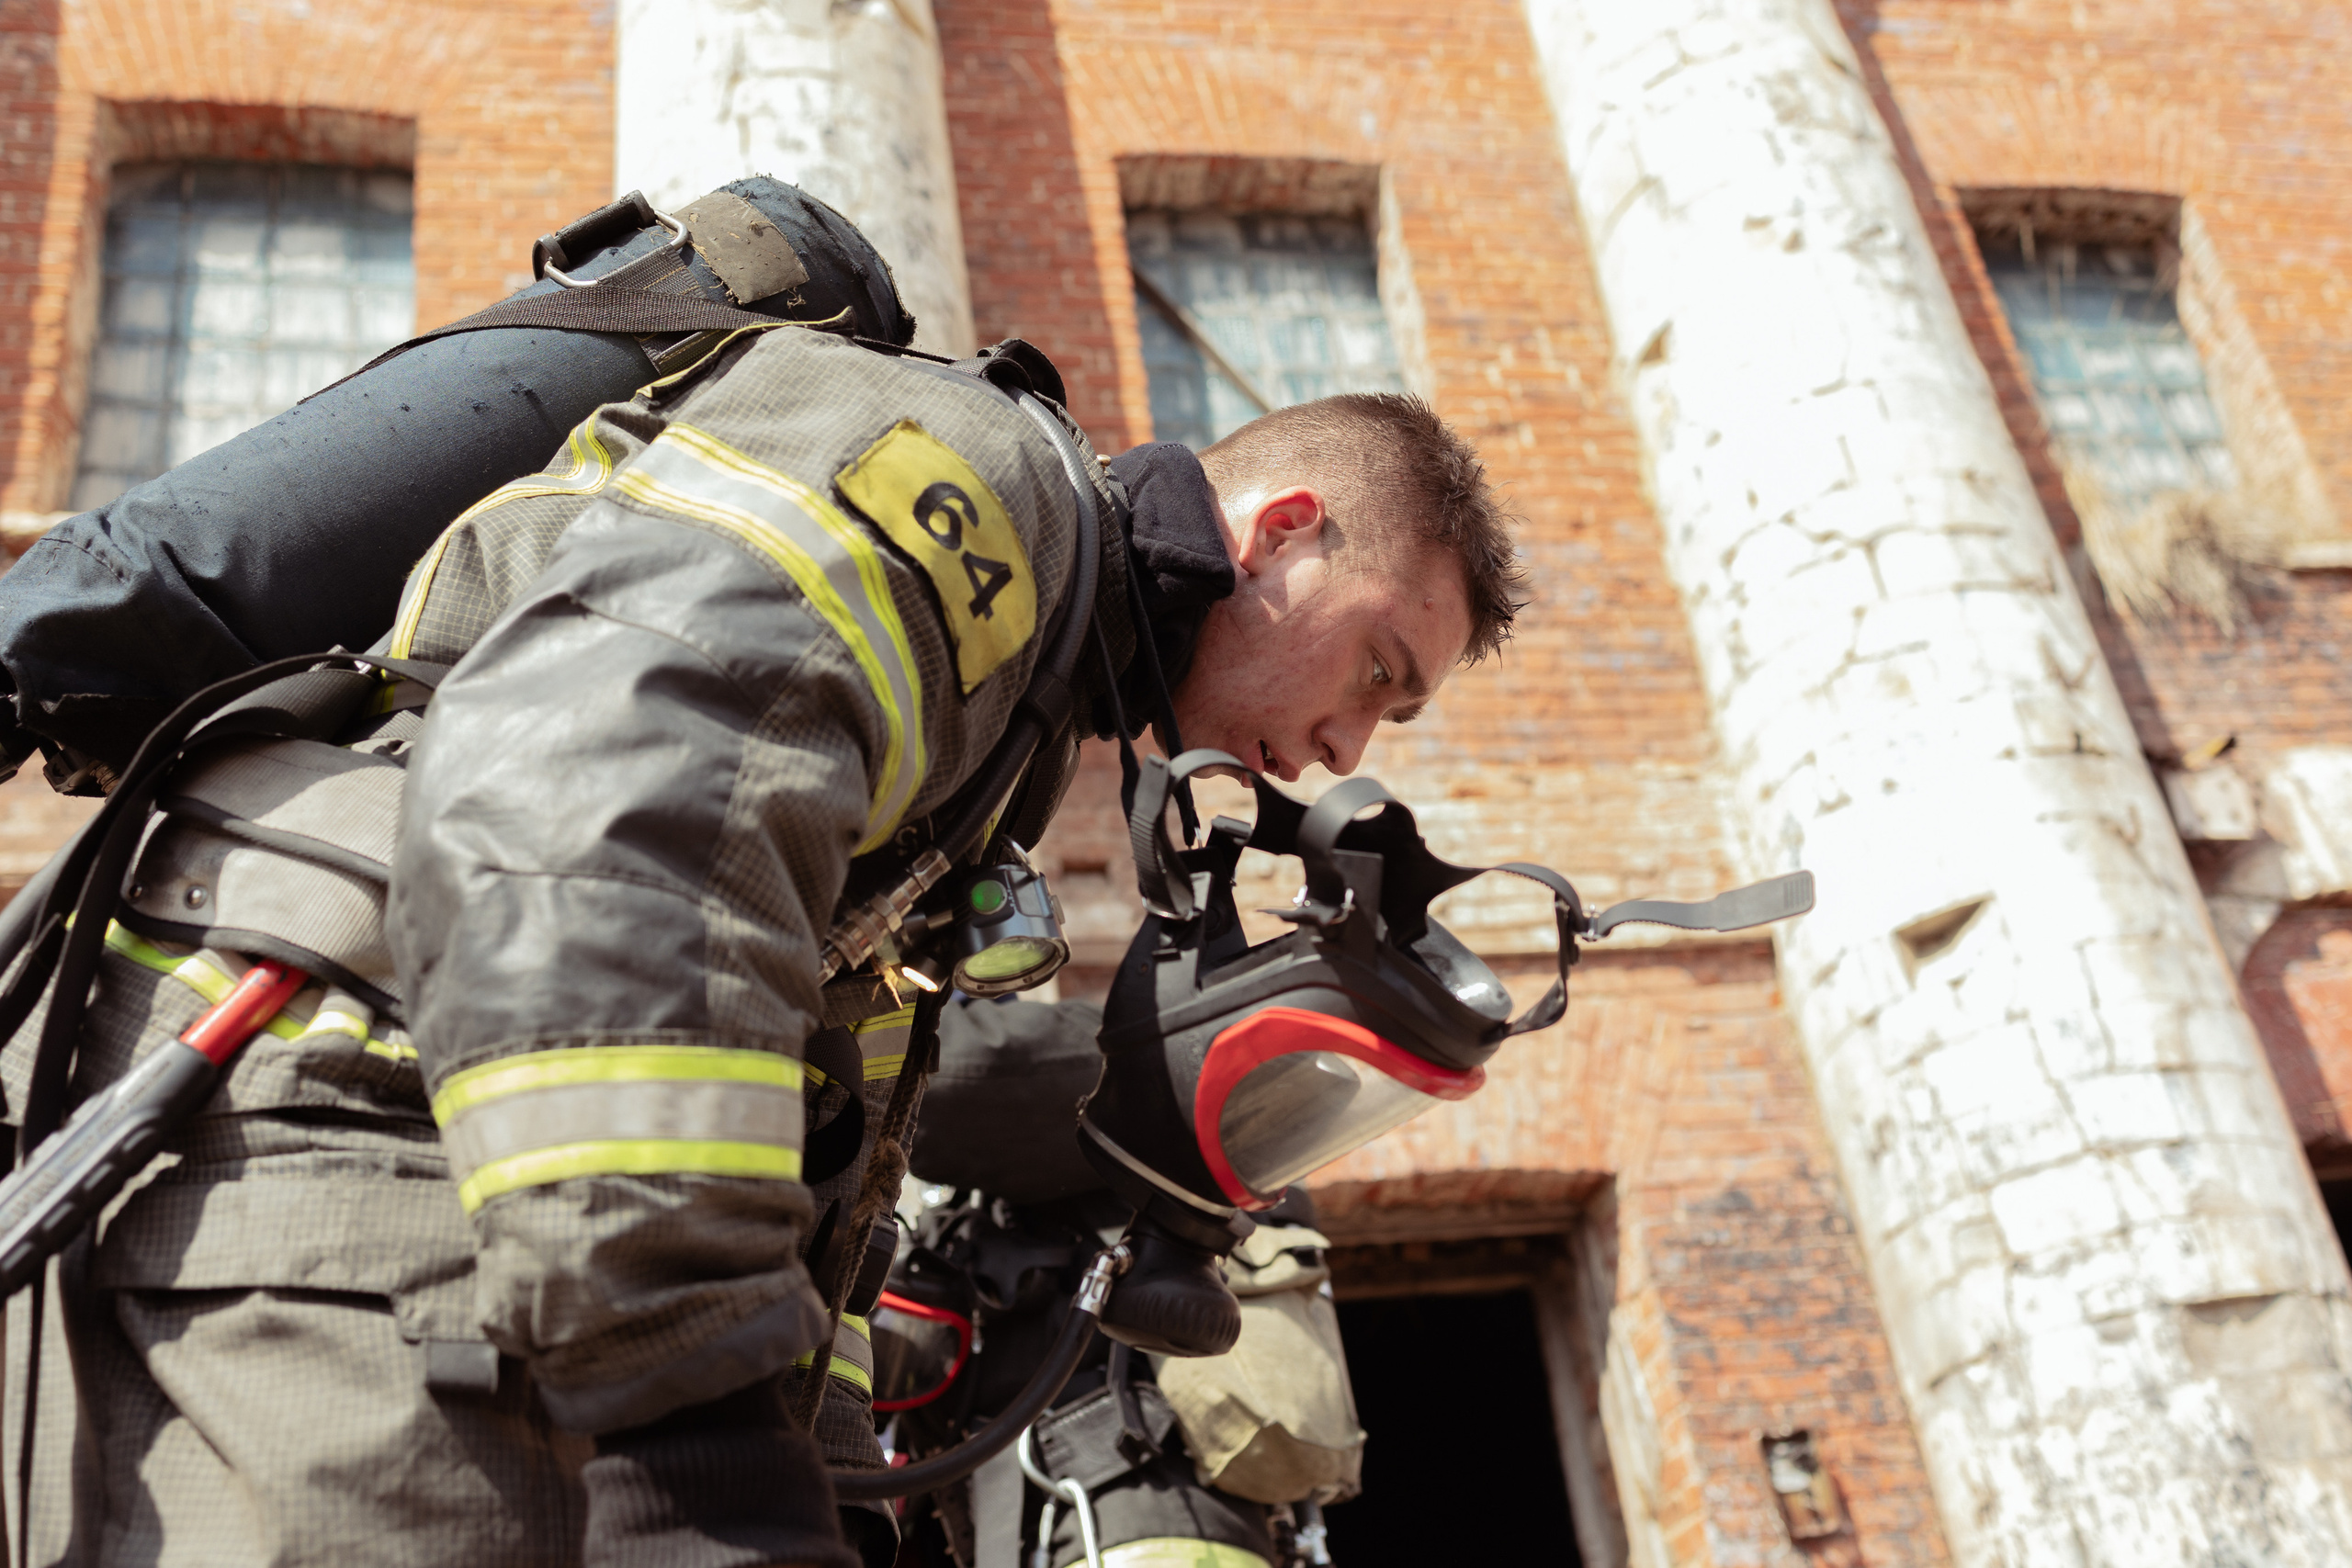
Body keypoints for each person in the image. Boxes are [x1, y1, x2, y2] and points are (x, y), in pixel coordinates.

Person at [0, 223, 1523, 1567]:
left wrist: (829, 1469)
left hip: (423, 1193)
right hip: (343, 1148)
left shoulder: (1018, 709)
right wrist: (699, 1440)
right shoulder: (969, 486)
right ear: (1281, 532)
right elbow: (608, 803)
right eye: (1376, 672)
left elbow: (816, 1122)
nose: (1345, 752)